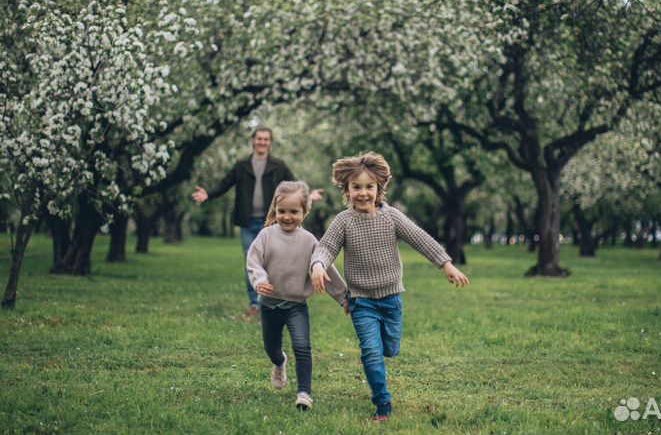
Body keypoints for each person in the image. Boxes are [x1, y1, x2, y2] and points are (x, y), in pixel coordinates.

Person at [310, 152, 469, 422]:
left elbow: (421, 239)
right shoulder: (343, 221)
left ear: (379, 188)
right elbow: (325, 247)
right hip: (361, 301)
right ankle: (383, 404)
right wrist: (317, 264)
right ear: (347, 190)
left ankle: (384, 353)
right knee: (371, 351)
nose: (363, 193)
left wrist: (446, 264)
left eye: (369, 187)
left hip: (392, 298)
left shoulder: (391, 217)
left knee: (390, 349)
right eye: (356, 187)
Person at [192, 127, 323, 316]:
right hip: (247, 221)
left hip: (271, 221)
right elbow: (224, 184)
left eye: (266, 139)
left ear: (270, 143)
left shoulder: (278, 165)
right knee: (251, 260)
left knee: (272, 261)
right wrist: (208, 194)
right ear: (253, 141)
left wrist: (309, 195)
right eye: (259, 139)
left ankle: (272, 301)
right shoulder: (241, 165)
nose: (262, 142)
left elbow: (295, 186)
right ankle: (255, 304)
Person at [246, 181, 347, 411]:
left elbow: (327, 270)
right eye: (282, 211)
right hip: (269, 305)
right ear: (275, 210)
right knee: (271, 348)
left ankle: (304, 393)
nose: (287, 217)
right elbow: (253, 262)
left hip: (296, 306)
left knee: (302, 346)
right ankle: (280, 363)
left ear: (304, 212)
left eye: (294, 212)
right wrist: (260, 281)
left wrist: (343, 297)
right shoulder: (266, 236)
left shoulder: (310, 241)